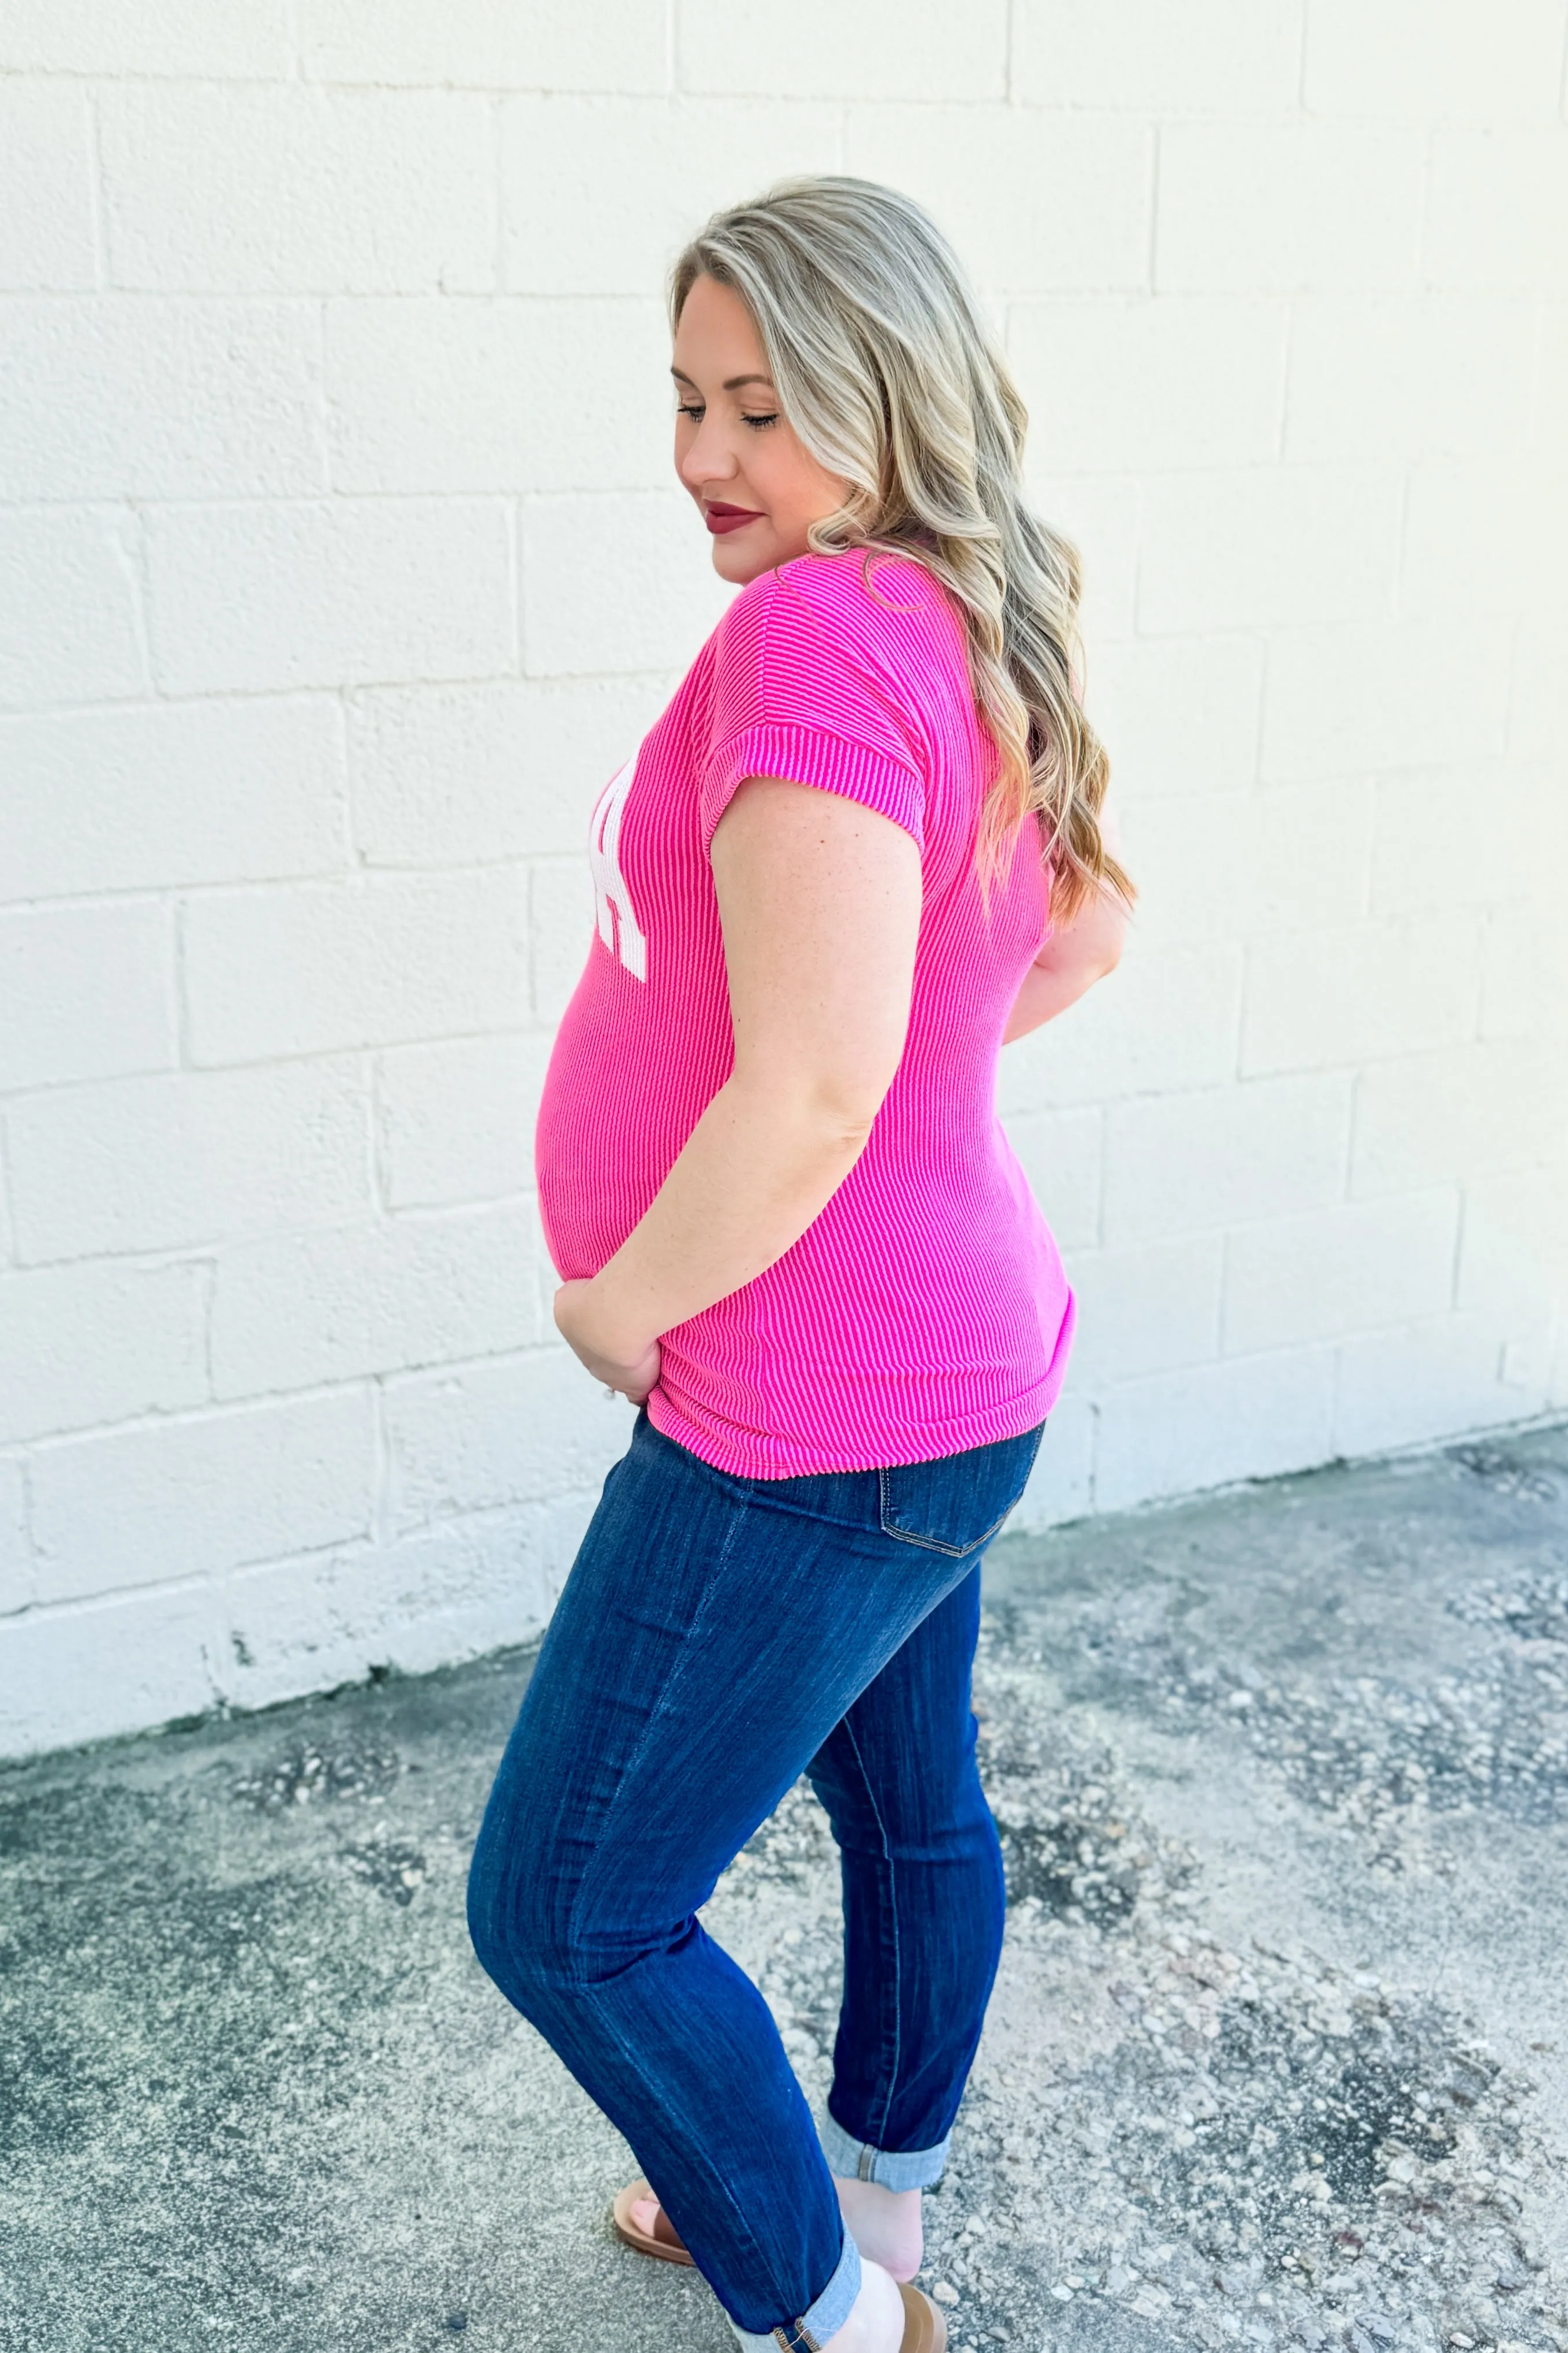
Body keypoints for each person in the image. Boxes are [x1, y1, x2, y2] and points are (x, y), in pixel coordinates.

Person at [466, 176, 1134, 2353]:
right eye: (684, 399)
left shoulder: (823, 634)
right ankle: (878, 2213)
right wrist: (910, 1097)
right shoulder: (974, 605)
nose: (701, 457)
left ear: (891, 395)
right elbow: (1080, 931)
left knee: (569, 1911)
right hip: (960, 1381)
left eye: (762, 405)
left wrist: (618, 1303)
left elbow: (818, 1090)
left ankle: (841, 2316)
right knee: (911, 1805)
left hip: (809, 1417)